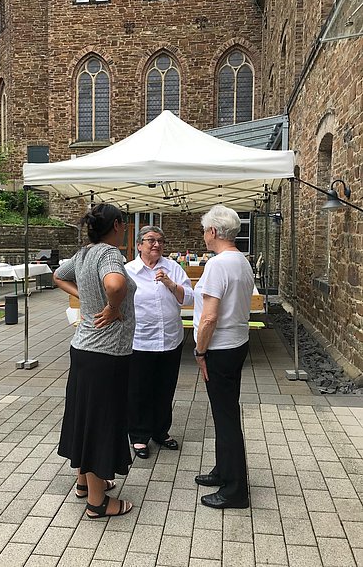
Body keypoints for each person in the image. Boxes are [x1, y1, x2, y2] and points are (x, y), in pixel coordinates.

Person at [53, 203, 136, 518]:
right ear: (116, 225)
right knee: (101, 421)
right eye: (124, 224)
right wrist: (113, 307)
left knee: (85, 417)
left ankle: (85, 483)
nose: (125, 229)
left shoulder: (84, 253)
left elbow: (58, 276)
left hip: (84, 349)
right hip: (106, 353)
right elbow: (115, 284)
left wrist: (86, 298)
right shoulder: (109, 254)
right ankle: (98, 503)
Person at [193, 205, 254, 509]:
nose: (204, 236)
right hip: (236, 343)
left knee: (225, 417)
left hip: (219, 348)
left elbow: (209, 317)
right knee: (224, 412)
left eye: (205, 230)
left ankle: (235, 490)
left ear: (214, 231)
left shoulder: (218, 265)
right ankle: (224, 470)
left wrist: (200, 350)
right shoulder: (242, 261)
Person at [125, 226, 194, 459]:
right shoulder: (128, 271)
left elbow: (189, 298)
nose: (157, 244)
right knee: (139, 390)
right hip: (140, 341)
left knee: (165, 388)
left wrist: (171, 284)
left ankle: (160, 431)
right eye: (151, 240)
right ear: (139, 245)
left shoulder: (173, 268)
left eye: (161, 241)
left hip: (170, 339)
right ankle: (138, 436)